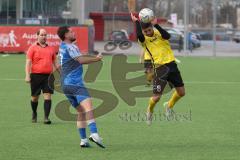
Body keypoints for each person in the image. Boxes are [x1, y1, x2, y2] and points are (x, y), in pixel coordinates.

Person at [131, 13, 185, 125]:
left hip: (172, 65)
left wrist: (157, 25)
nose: (148, 32)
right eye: (145, 31)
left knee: (181, 92)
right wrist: (136, 22)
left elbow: (168, 36)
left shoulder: (159, 33)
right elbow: (140, 36)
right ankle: (149, 110)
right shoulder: (143, 40)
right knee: (156, 98)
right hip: (160, 68)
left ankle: (169, 106)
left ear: (152, 27)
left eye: (149, 30)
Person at [57, 26, 105, 148]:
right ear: (66, 35)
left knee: (81, 111)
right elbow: (81, 60)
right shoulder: (71, 46)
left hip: (65, 85)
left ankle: (83, 140)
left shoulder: (62, 46)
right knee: (88, 107)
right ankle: (94, 133)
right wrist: (97, 59)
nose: (74, 33)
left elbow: (62, 63)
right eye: (71, 31)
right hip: (75, 83)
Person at [25, 29, 58, 124]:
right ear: (37, 36)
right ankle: (34, 113)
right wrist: (27, 75)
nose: (44, 36)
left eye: (45, 35)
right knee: (35, 97)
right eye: (42, 35)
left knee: (48, 96)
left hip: (48, 76)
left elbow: (55, 62)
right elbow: (28, 63)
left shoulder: (51, 48)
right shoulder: (32, 48)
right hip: (35, 76)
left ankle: (46, 118)